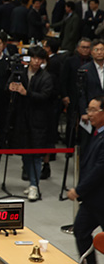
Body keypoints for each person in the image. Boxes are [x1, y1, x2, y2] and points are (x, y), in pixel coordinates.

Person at [7, 46, 53, 202]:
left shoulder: (46, 77)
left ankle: (35, 185)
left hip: (38, 120)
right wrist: (11, 88)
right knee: (25, 153)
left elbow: (45, 96)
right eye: (33, 58)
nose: (36, 61)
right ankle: (31, 182)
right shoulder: (20, 73)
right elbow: (7, 87)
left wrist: (27, 93)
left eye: (39, 59)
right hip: (21, 120)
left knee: (36, 155)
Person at [68, 95, 104, 264]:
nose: (89, 114)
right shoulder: (96, 133)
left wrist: (79, 190)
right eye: (88, 110)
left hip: (101, 198)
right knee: (81, 230)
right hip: (92, 199)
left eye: (93, 110)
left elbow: (100, 169)